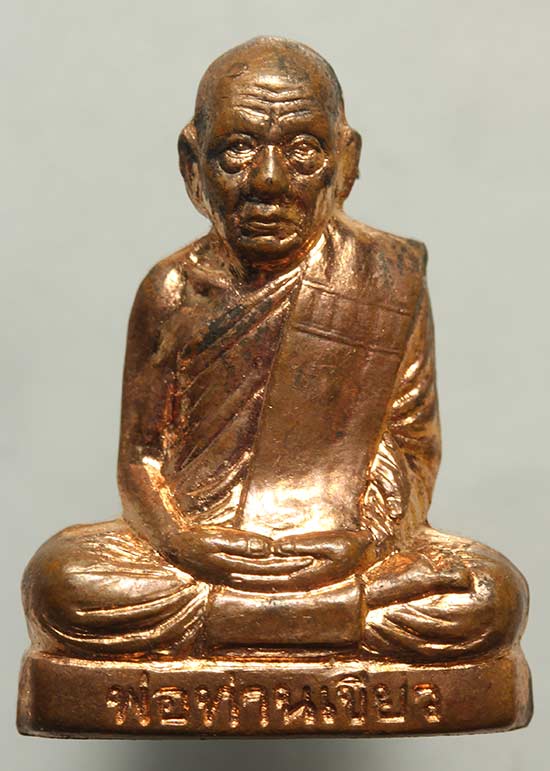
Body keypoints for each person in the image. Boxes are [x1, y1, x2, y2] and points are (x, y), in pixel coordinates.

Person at [23, 37, 527, 661]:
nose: (268, 180)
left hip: (341, 549)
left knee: (488, 593)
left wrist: (366, 542)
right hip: (203, 557)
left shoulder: (386, 276)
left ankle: (239, 623)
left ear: (346, 161)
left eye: (303, 150)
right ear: (192, 164)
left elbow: (409, 446)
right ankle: (329, 621)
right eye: (237, 148)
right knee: (61, 582)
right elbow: (143, 460)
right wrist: (182, 542)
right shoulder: (172, 291)